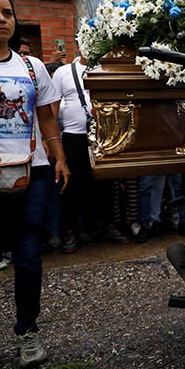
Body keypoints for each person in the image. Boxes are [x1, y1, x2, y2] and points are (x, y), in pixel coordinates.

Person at [0, 0, 69, 369]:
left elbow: (46, 118)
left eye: (7, 13)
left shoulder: (32, 67)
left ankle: (28, 330)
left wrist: (59, 158)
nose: (0, 19)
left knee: (28, 256)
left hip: (32, 170)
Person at [52, 54, 129, 252]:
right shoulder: (63, 72)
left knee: (106, 182)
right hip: (73, 136)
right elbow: (51, 109)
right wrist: (49, 140)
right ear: (79, 44)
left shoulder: (108, 70)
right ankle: (70, 231)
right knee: (71, 184)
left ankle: (104, 226)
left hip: (105, 135)